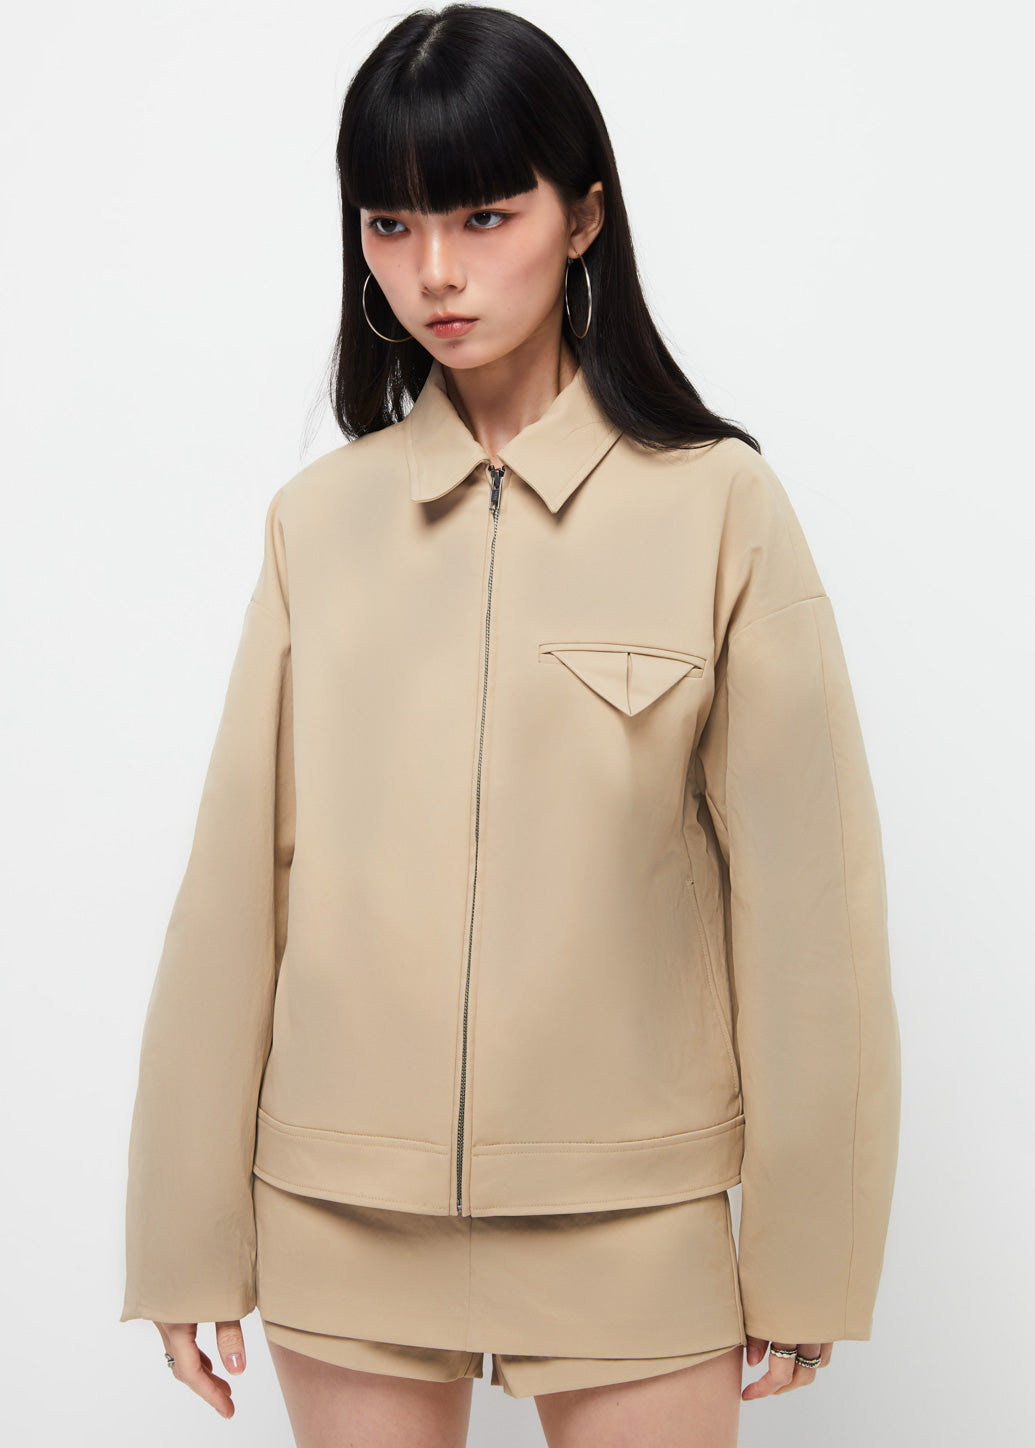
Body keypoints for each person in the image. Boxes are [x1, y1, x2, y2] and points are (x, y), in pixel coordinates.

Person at [119, 6, 901, 1445]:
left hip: (631, 1210)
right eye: (392, 223)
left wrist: (811, 1252)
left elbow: (810, 907)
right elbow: (234, 890)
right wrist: (183, 1234)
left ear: (583, 214)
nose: (435, 270)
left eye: (485, 215)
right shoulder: (318, 526)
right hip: (340, 1206)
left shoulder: (719, 508)